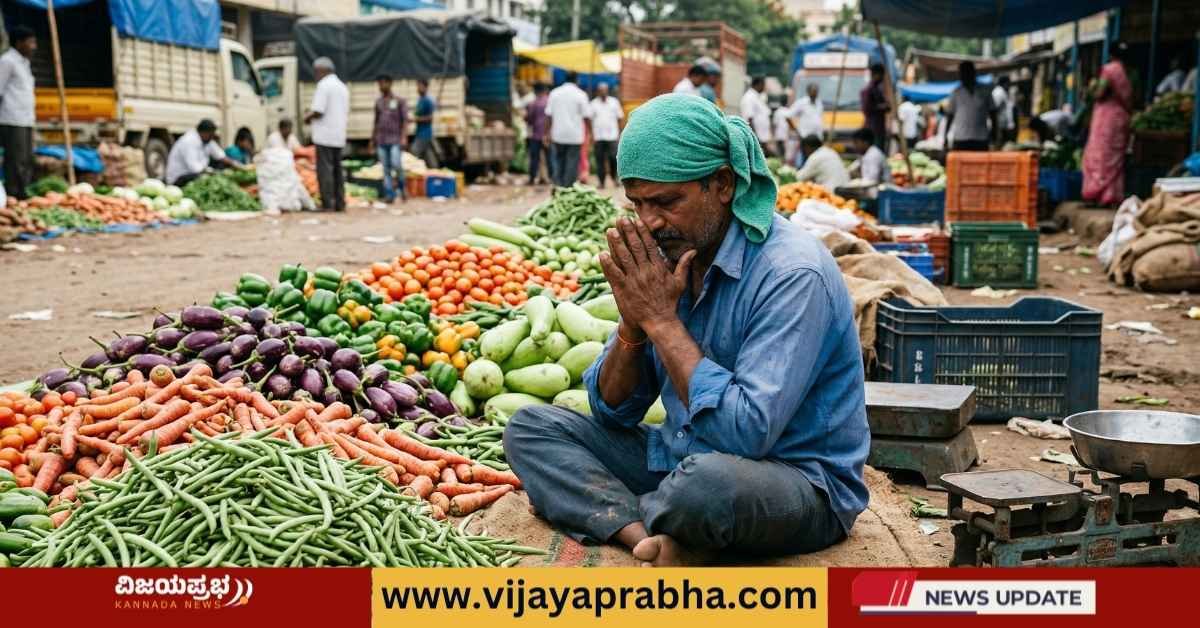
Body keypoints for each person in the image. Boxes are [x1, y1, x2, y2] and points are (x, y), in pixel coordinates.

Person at [503, 93, 868, 566]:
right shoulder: (673, 255)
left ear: (722, 184)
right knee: (531, 429)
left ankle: (651, 516)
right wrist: (634, 323)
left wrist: (661, 320)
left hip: (791, 481)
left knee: (705, 487)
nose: (649, 222)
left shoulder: (793, 273)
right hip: (684, 455)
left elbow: (747, 434)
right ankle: (646, 537)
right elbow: (613, 413)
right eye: (637, 203)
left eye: (666, 202)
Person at [1082, 43, 1133, 207]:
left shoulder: (1109, 70)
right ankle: (1111, 196)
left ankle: (1096, 192)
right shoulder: (1128, 72)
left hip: (1106, 119)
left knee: (1099, 155)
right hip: (1121, 118)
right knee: (1115, 157)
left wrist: (1090, 87)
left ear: (1111, 55)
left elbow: (1099, 93)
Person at [304, 57, 349, 211]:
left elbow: (318, 110)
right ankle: (340, 203)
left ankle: (327, 204)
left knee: (325, 171)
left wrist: (306, 117)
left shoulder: (323, 86)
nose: (315, 75)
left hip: (324, 136)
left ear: (322, 70)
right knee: (337, 171)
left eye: (316, 71)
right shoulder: (342, 87)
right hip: (338, 135)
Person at [0, 26, 37, 199]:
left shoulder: (25, 63)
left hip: (26, 119)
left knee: (27, 159)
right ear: (19, 43)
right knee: (15, 160)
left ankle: (23, 192)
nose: (34, 46)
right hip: (11, 118)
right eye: (30, 42)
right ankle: (13, 194)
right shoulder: (7, 61)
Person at [165, 119, 245, 186]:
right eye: (211, 135)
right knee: (204, 177)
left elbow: (220, 156)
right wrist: (214, 172)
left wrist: (237, 165)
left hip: (195, 173)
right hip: (179, 178)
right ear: (204, 132)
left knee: (221, 165)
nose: (212, 138)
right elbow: (195, 168)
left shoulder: (207, 141)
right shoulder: (189, 142)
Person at [546, 71, 591, 187]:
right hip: (575, 136)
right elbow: (586, 117)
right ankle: (568, 188)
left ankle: (558, 186)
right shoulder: (581, 94)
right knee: (572, 163)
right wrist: (591, 133)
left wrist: (547, 133)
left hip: (558, 134)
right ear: (577, 80)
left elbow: (549, 116)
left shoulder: (554, 93)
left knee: (558, 162)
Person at [371, 74, 408, 203]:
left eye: (383, 83)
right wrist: (372, 139)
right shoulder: (378, 102)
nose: (381, 86)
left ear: (390, 83)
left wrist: (404, 137)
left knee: (396, 165)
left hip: (395, 140)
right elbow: (376, 122)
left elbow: (404, 121)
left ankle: (402, 188)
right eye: (379, 83)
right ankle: (389, 194)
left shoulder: (399, 101)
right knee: (385, 168)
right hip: (381, 140)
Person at [945, 61, 996, 152]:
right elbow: (950, 116)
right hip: (960, 140)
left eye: (966, 72)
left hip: (981, 140)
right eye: (962, 73)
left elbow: (993, 114)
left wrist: (994, 136)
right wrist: (945, 136)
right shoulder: (956, 93)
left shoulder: (985, 91)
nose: (963, 76)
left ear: (973, 73)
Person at [589, 82, 624, 188]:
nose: (603, 92)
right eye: (601, 90)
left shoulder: (614, 102)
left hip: (612, 136)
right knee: (599, 160)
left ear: (607, 91)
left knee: (613, 158)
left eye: (605, 90)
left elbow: (620, 118)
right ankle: (601, 182)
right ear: (598, 92)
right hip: (598, 137)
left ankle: (614, 178)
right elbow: (589, 120)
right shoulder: (593, 104)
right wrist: (591, 135)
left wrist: (620, 133)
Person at [525, 82, 551, 185]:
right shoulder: (550, 102)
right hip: (548, 135)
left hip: (536, 135)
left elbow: (529, 119)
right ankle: (552, 178)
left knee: (534, 158)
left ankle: (532, 178)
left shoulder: (534, 103)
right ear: (545, 91)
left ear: (536, 92)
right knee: (549, 158)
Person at [740, 77, 772, 155]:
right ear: (759, 84)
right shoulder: (749, 97)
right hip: (757, 138)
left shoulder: (757, 96)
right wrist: (755, 138)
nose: (764, 88)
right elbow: (749, 118)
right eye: (764, 85)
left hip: (761, 138)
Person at [860, 63, 889, 151]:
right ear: (876, 74)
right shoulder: (869, 90)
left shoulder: (877, 89)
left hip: (879, 127)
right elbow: (867, 108)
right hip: (873, 128)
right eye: (881, 75)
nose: (882, 78)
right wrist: (883, 107)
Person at [411, 79, 439, 169]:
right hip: (419, 132)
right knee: (429, 156)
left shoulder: (428, 100)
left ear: (425, 87)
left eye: (420, 86)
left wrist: (417, 119)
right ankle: (435, 171)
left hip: (424, 133)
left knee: (414, 152)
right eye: (417, 86)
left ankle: (415, 172)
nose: (418, 88)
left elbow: (430, 117)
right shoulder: (420, 100)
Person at [991, 76, 1016, 147]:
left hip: (1003, 126)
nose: (1009, 86)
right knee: (1001, 146)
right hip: (1000, 126)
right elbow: (994, 109)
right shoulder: (998, 92)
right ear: (1004, 83)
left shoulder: (1002, 92)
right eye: (1008, 83)